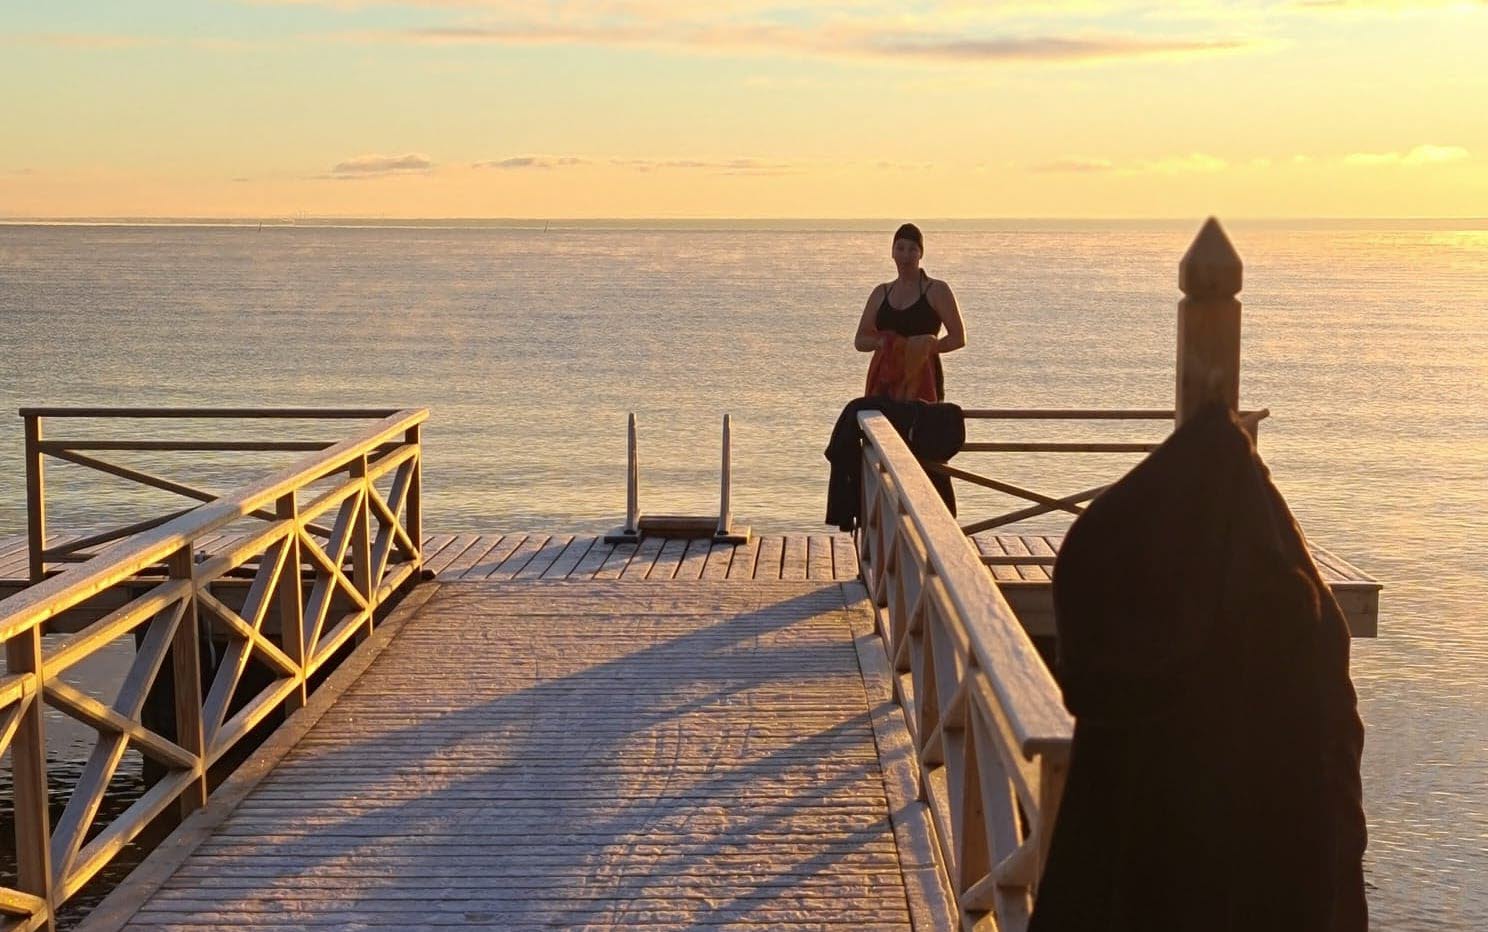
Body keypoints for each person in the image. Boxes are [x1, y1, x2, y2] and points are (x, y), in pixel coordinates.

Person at [854, 222, 967, 402]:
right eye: (900, 248)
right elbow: (860, 341)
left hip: (923, 380)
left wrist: (927, 346)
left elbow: (958, 338)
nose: (905, 256)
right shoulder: (881, 292)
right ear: (892, 252)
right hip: (885, 383)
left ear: (921, 253)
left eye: (912, 249)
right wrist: (883, 342)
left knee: (922, 428)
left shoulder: (937, 290)